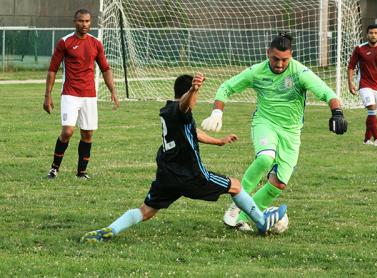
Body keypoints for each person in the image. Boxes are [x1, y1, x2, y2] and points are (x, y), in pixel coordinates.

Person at [80, 73, 287, 243]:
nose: (196, 99)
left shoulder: (167, 110)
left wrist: (219, 141)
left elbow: (192, 132)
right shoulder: (181, 109)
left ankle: (109, 230)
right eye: (194, 95)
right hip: (191, 175)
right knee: (235, 185)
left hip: (167, 176)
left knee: (145, 211)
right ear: (187, 93)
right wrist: (193, 90)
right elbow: (184, 106)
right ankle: (261, 222)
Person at [201, 33, 347, 231]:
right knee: (265, 159)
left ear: (291, 56)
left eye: (285, 60)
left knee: (278, 184)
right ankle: (236, 205)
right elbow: (226, 87)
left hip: (291, 133)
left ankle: (241, 218)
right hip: (265, 123)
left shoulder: (300, 73)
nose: (279, 64)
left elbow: (327, 93)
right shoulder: (256, 72)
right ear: (267, 53)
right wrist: (217, 112)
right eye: (275, 59)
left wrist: (337, 113)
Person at [43, 9, 120, 179]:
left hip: (89, 96)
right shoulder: (65, 42)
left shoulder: (96, 43)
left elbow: (105, 69)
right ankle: (54, 168)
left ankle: (81, 172)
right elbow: (52, 70)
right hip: (70, 93)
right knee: (68, 132)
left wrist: (113, 91)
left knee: (87, 134)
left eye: (87, 21)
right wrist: (47, 95)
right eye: (80, 21)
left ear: (90, 23)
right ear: (74, 22)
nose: (84, 24)